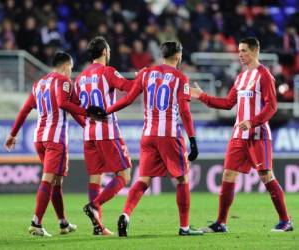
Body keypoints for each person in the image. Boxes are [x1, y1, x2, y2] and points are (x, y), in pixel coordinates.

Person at [96, 41, 202, 236]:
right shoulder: (180, 78)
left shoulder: (145, 73)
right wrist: (193, 139)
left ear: (162, 55)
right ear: (178, 56)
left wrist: (106, 111)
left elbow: (127, 99)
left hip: (148, 135)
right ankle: (184, 227)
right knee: (182, 179)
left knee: (144, 179)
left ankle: (126, 215)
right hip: (169, 134)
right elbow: (185, 112)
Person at [191, 37, 293, 233]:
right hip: (239, 134)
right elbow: (228, 103)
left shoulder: (264, 76)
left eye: (244, 51)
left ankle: (285, 221)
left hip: (258, 135)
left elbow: (272, 107)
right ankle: (221, 223)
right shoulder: (240, 78)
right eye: (239, 51)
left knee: (265, 175)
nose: (240, 54)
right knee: (228, 174)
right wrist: (201, 96)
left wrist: (253, 122)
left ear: (255, 51)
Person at [4, 51, 100, 237]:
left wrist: (13, 134)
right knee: (49, 180)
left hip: (39, 139)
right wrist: (88, 116)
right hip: (56, 139)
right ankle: (36, 223)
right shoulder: (64, 82)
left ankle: (63, 223)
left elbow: (25, 110)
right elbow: (67, 105)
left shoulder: (38, 84)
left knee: (56, 181)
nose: (70, 73)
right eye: (70, 68)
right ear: (66, 66)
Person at [75, 36, 133, 236]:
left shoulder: (80, 77)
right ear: (105, 52)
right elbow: (128, 87)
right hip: (107, 131)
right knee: (124, 175)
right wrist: (142, 79)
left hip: (89, 133)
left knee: (95, 177)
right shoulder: (108, 72)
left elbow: (76, 106)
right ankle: (95, 205)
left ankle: (97, 227)